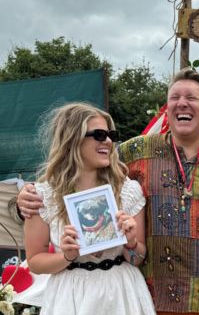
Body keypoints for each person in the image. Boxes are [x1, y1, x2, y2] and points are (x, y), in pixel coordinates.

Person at [18, 69, 199, 315]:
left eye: (192, 98)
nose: (182, 103)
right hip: (150, 298)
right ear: (167, 109)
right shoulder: (133, 152)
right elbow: (78, 171)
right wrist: (24, 200)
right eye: (175, 97)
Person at [23, 102, 155, 314]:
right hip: (70, 296)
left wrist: (130, 243)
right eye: (99, 134)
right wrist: (65, 256)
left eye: (111, 134)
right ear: (73, 139)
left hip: (121, 292)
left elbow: (137, 259)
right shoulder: (42, 195)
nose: (109, 141)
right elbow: (35, 262)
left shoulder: (128, 190)